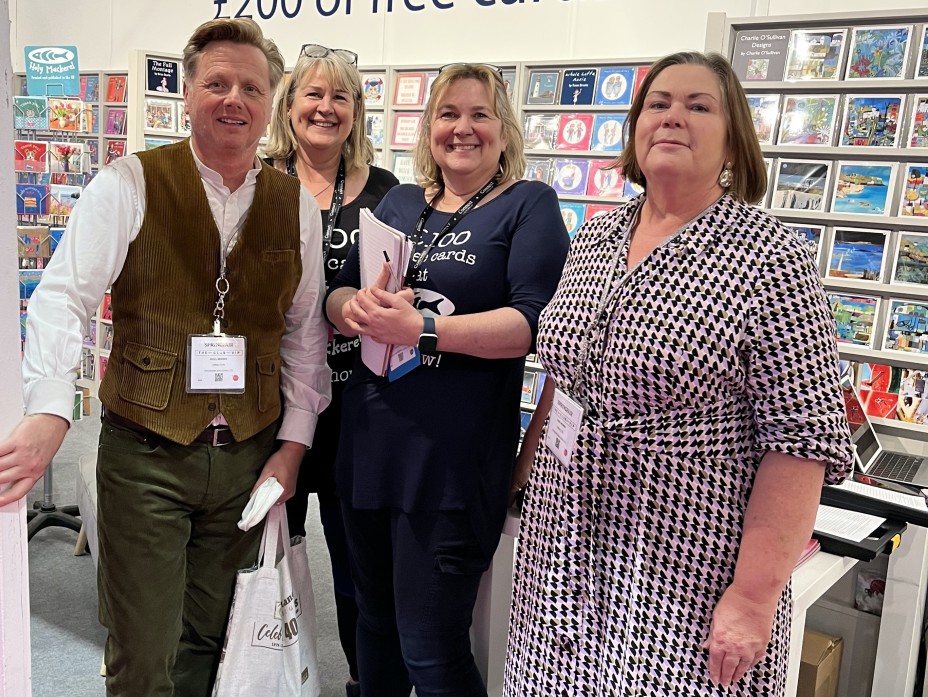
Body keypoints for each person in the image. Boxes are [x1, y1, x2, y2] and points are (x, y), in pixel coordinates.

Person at [0, 18, 330, 697]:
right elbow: (61, 298)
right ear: (189, 92)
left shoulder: (296, 208)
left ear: (272, 103)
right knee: (142, 652)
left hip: (247, 460)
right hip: (146, 456)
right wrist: (51, 408)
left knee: (214, 639)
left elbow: (304, 336)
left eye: (251, 88)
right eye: (217, 84)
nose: (234, 99)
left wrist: (293, 445)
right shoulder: (128, 183)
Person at [504, 51, 853, 696]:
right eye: (658, 103)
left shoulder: (771, 259)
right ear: (636, 128)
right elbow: (562, 375)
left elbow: (800, 442)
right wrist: (523, 484)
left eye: (699, 106)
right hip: (560, 549)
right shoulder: (597, 237)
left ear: (732, 139)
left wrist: (753, 598)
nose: (673, 117)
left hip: (683, 566)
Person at [325, 63, 569, 696]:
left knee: (431, 648)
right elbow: (348, 287)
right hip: (370, 441)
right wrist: (350, 307)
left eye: (479, 114)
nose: (462, 128)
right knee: (371, 628)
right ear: (428, 126)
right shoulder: (401, 201)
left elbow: (532, 323)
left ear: (503, 128)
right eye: (448, 114)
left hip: (453, 460)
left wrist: (424, 332)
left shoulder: (529, 204)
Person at [264, 42, 398, 697]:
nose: (325, 107)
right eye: (312, 95)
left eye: (339, 96)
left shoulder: (387, 193)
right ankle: (272, 676)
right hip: (272, 406)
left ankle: (362, 681)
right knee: (271, 559)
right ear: (289, 107)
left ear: (356, 110)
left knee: (358, 567)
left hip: (357, 411)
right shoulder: (256, 180)